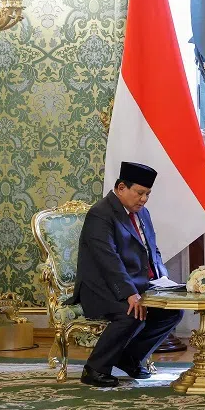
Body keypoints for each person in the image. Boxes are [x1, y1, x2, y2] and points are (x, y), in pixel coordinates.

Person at [70, 161, 183, 388]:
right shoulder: (100, 214)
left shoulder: (142, 213)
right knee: (131, 313)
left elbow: (152, 249)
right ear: (121, 188)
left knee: (172, 312)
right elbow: (107, 260)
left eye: (148, 194)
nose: (144, 199)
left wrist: (163, 280)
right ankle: (94, 368)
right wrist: (130, 293)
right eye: (140, 193)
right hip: (101, 288)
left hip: (137, 283)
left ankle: (129, 358)